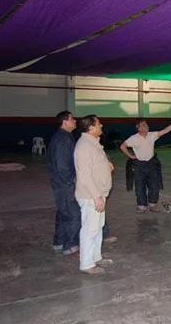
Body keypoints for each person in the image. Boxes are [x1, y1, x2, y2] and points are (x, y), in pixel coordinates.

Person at [74, 115, 114, 275]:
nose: (101, 125)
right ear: (90, 128)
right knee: (90, 229)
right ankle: (86, 263)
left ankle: (95, 257)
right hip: (91, 195)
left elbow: (95, 165)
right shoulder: (84, 146)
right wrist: (96, 196)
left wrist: (106, 166)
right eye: (98, 124)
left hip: (98, 194)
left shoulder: (93, 143)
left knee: (97, 228)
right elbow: (84, 175)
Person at [120, 117, 171, 213]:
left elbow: (165, 131)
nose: (146, 126)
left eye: (146, 124)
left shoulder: (152, 135)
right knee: (140, 186)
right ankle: (141, 206)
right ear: (139, 128)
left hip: (151, 164)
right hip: (139, 165)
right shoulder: (134, 138)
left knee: (154, 185)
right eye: (143, 125)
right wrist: (131, 156)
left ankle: (153, 205)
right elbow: (122, 146)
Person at [46, 111, 80, 256]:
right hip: (65, 183)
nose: (75, 121)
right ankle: (70, 246)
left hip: (60, 182)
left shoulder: (64, 136)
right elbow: (62, 165)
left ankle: (59, 242)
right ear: (65, 122)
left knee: (63, 212)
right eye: (72, 119)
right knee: (73, 214)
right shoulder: (63, 139)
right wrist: (71, 181)